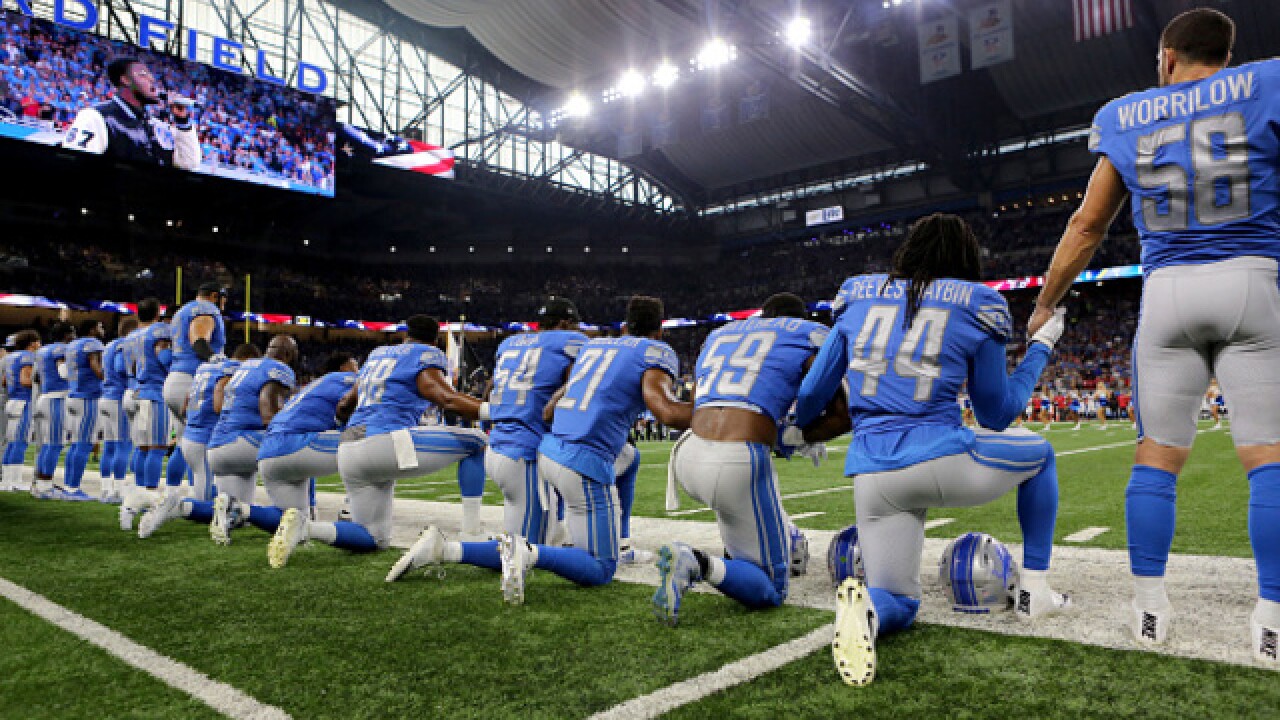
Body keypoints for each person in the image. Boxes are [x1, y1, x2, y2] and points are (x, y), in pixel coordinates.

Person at [1026, 8, 1280, 665]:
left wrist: (1046, 302)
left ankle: (1148, 609)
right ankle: (1272, 620)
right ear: (1225, 55)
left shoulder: (1128, 113)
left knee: (1156, 460)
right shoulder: (1267, 83)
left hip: (1167, 292)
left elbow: (1087, 226)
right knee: (1268, 459)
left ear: (1168, 57)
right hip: (1253, 280)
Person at [796, 214, 1071, 687]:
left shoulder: (857, 294)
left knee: (899, 601)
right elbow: (996, 414)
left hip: (872, 475)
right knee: (1041, 456)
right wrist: (1041, 347)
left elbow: (809, 396)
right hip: (941, 459)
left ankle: (870, 613)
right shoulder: (978, 302)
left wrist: (806, 432)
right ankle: (1036, 590)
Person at [464, 297, 690, 605]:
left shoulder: (594, 347)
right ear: (660, 332)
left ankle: (615, 542)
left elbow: (547, 411)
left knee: (630, 458)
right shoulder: (651, 351)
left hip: (544, 451)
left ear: (624, 327)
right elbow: (667, 412)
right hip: (575, 460)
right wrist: (719, 412)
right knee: (599, 567)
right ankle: (530, 551)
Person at [650, 292, 850, 625]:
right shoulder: (808, 334)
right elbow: (843, 414)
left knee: (741, 522)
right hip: (735, 461)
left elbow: (702, 402)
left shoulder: (719, 335)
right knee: (772, 588)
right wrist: (798, 434)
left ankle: (735, 558)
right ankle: (697, 562)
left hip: (688, 452)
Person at [266, 316, 489, 569]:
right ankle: (472, 533)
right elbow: (446, 399)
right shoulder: (426, 354)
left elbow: (344, 405)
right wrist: (493, 411)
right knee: (477, 441)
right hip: (384, 442)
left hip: (348, 449)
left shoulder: (376, 355)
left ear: (405, 336)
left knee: (374, 538)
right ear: (435, 341)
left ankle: (306, 528)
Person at [205, 335, 299, 544]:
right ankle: (304, 511)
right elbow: (268, 410)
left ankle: (183, 507)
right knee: (299, 453)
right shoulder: (279, 369)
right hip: (243, 442)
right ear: (288, 354)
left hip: (217, 446)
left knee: (235, 511)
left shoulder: (245, 366)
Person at [255, 352, 358, 517]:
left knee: (295, 521)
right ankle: (351, 508)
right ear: (343, 368)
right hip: (295, 443)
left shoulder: (315, 386)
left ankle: (242, 510)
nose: (357, 369)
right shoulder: (346, 379)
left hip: (268, 453)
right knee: (368, 441)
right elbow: (345, 407)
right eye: (354, 365)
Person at [62, 57, 200, 169]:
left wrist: (182, 121)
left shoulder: (158, 126)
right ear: (125, 80)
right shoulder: (97, 117)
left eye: (150, 75)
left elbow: (188, 163)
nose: (152, 79)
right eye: (143, 75)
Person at [160, 283, 227, 496]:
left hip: (176, 379)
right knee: (201, 445)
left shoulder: (182, 311)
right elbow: (198, 340)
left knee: (184, 444)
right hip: (192, 381)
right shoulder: (206, 309)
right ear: (215, 296)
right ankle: (201, 498)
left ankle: (172, 495)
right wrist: (216, 361)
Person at [62, 319, 106, 501]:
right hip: (87, 397)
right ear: (92, 329)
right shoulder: (92, 343)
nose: (102, 329)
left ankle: (68, 485)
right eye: (100, 326)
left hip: (73, 396)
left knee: (75, 444)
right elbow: (96, 366)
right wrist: (108, 378)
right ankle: (73, 488)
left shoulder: (72, 345)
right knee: (84, 444)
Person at [30, 322, 74, 499]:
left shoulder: (42, 351)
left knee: (48, 444)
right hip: (57, 399)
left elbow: (36, 377)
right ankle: (45, 486)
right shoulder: (62, 349)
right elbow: (64, 373)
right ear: (67, 334)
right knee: (54, 444)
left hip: (44, 397)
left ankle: (40, 483)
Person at [98, 316, 139, 503]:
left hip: (106, 396)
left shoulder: (110, 345)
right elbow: (120, 366)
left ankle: (106, 488)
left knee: (109, 446)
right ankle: (119, 490)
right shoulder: (124, 345)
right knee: (123, 445)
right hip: (117, 398)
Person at [1, 330, 41, 491]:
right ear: (32, 343)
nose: (40, 344)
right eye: (38, 341)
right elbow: (25, 380)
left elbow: (4, 382)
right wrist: (41, 383)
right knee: (20, 442)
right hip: (24, 402)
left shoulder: (10, 357)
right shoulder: (28, 357)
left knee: (11, 442)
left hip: (12, 401)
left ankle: (6, 481)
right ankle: (15, 481)